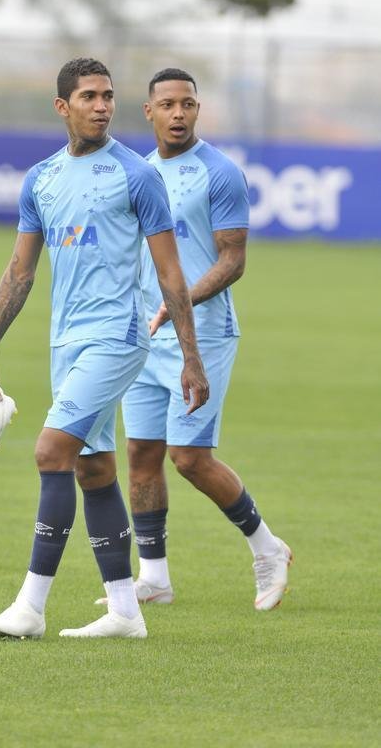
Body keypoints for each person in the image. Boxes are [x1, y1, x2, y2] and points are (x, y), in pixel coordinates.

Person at [0, 58, 209, 640]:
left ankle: (31, 607)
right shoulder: (41, 179)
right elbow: (19, 273)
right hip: (66, 342)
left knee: (51, 452)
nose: (102, 106)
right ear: (63, 107)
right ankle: (126, 612)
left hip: (118, 336)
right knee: (93, 468)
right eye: (88, 97)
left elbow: (171, 275)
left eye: (107, 96)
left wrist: (190, 357)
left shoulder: (136, 175)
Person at [114, 68, 292, 612]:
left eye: (187, 104)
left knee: (188, 458)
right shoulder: (138, 172)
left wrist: (180, 301)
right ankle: (155, 577)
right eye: (167, 104)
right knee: (142, 453)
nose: (178, 114)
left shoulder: (221, 173)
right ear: (149, 112)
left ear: (197, 109)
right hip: (146, 335)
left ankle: (268, 548)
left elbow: (233, 259)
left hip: (203, 333)